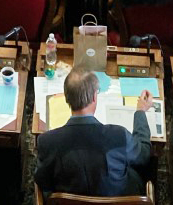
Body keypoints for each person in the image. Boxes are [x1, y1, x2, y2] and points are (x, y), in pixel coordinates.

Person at [37, 69, 152, 197]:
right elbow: (144, 155)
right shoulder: (119, 136)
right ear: (94, 97)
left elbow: (43, 182)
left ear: (66, 98)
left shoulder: (47, 141)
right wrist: (140, 112)